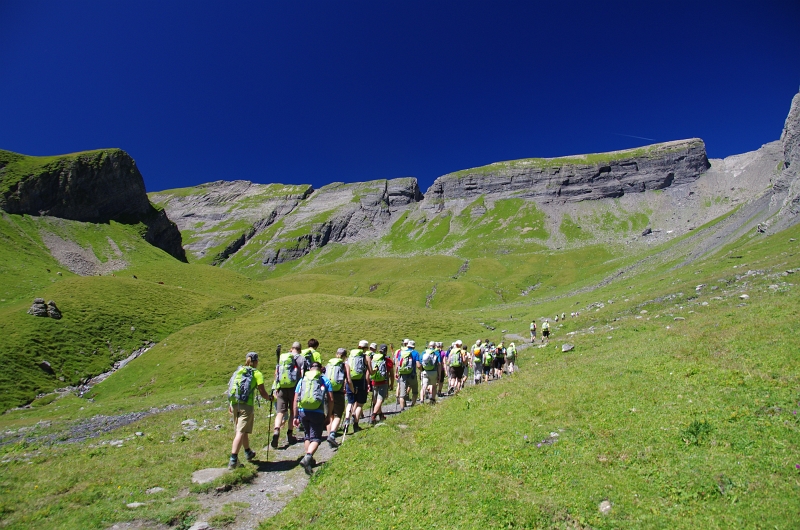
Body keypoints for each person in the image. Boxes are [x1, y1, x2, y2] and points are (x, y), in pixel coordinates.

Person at [228, 352, 273, 469]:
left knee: (242, 430)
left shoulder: (239, 371)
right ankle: (233, 459)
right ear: (256, 361)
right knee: (240, 432)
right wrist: (269, 398)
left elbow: (232, 387)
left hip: (234, 403)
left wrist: (230, 404)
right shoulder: (256, 373)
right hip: (246, 405)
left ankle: (248, 452)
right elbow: (262, 392)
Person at [293, 361, 333, 475]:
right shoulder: (324, 379)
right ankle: (308, 457)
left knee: (307, 435)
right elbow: (331, 399)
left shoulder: (302, 380)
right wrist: (329, 414)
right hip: (317, 411)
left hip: (303, 411)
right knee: (315, 439)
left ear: (310, 369)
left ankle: (309, 458)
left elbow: (296, 399)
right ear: (320, 369)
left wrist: (295, 416)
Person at [271, 342, 304, 449]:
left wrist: (276, 386)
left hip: (281, 388)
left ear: (291, 349)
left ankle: (276, 430)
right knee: (293, 412)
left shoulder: (283, 358)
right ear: (300, 349)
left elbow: (276, 373)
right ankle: (290, 435)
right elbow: (302, 374)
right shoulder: (300, 359)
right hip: (294, 388)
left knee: (280, 412)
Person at [344, 340, 371, 433]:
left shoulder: (350, 357)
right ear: (366, 348)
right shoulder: (366, 357)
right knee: (359, 404)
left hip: (350, 381)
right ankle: (355, 424)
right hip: (361, 382)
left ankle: (346, 421)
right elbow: (370, 372)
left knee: (350, 402)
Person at [325, 348, 348, 447]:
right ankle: (332, 435)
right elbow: (349, 380)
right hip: (338, 393)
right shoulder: (344, 365)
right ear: (344, 356)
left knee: (330, 415)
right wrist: (351, 389)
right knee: (338, 415)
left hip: (327, 392)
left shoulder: (329, 364)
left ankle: (329, 437)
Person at [368, 344, 393, 424]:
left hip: (374, 382)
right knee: (380, 400)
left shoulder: (373, 359)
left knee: (375, 400)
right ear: (386, 351)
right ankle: (374, 415)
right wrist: (391, 384)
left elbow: (369, 370)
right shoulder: (388, 361)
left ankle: (381, 415)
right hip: (383, 382)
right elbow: (391, 374)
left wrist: (368, 382)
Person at [396, 339, 420, 409]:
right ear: (414, 346)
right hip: (412, 375)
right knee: (415, 392)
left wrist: (397, 372)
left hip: (403, 375)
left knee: (402, 394)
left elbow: (398, 363)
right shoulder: (415, 353)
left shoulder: (402, 353)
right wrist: (421, 369)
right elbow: (418, 365)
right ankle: (412, 405)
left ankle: (402, 409)